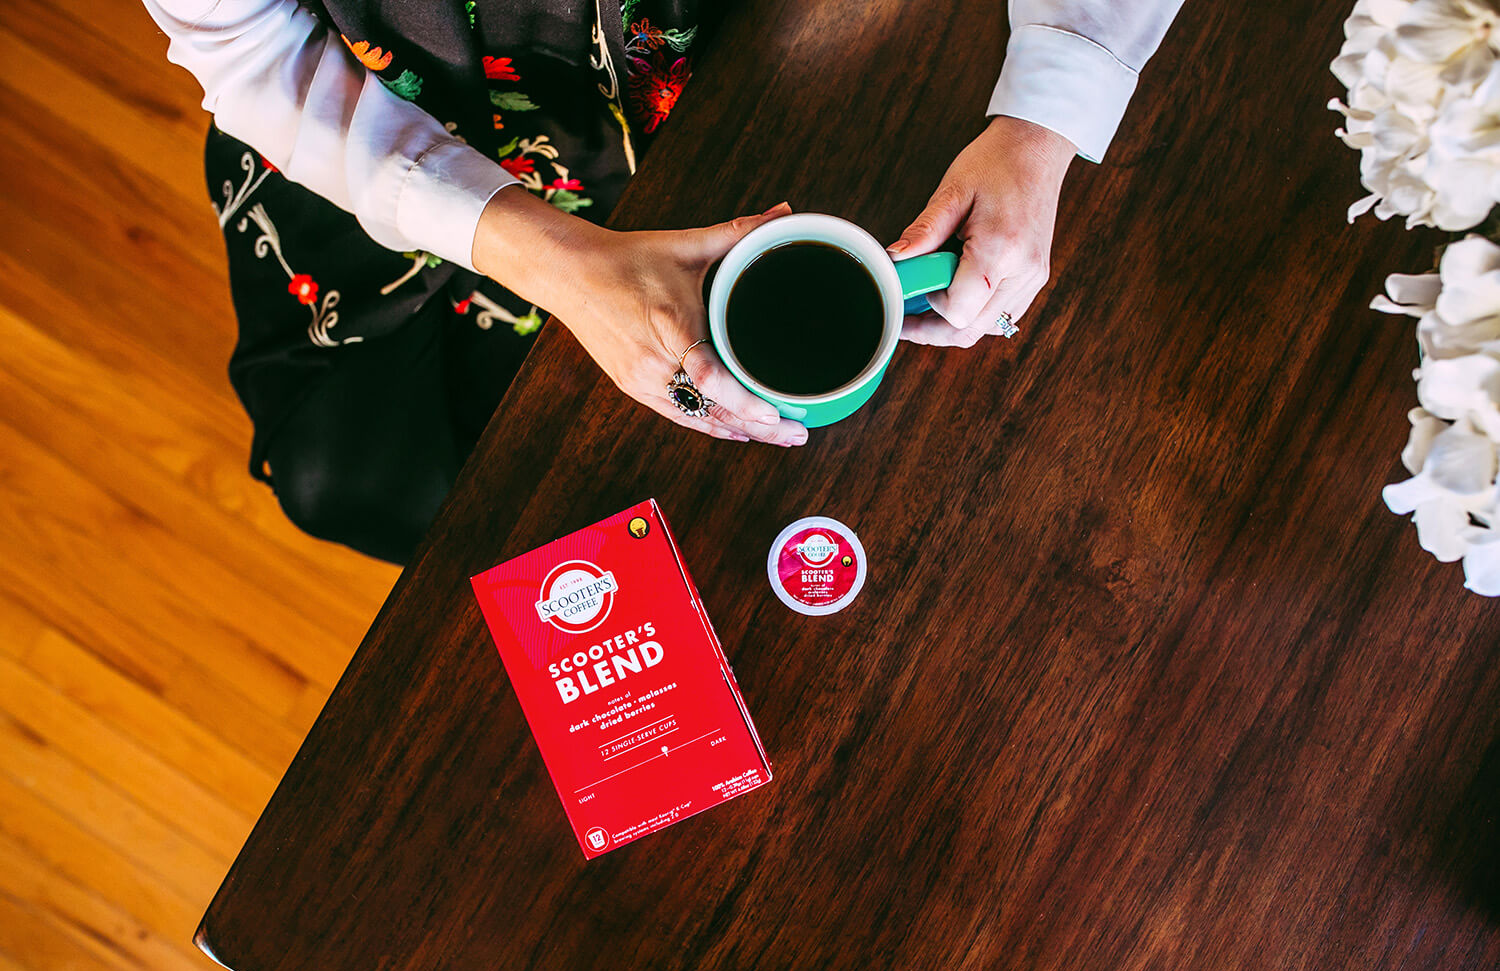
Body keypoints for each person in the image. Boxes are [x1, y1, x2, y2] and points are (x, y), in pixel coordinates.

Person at [144, 0, 1183, 564]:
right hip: (403, 124)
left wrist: (1050, 110)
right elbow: (247, 50)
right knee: (364, 476)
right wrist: (561, 262)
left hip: (746, 64)